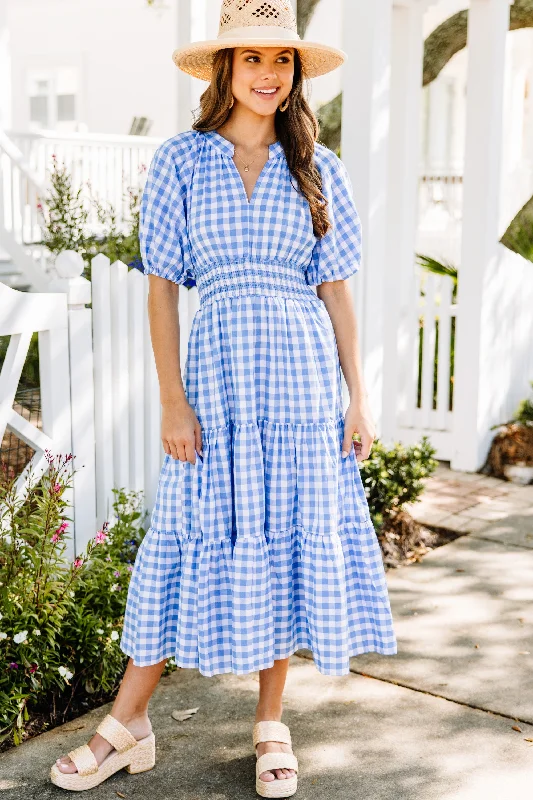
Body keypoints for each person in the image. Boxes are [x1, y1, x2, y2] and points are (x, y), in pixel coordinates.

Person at [50, 0, 397, 796]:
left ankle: (271, 721)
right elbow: (162, 291)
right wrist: (173, 399)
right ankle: (128, 720)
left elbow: (336, 290)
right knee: (184, 534)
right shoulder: (182, 160)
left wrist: (358, 397)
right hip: (217, 380)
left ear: (294, 73)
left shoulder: (319, 166)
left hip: (304, 382)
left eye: (282, 61)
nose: (269, 75)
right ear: (224, 70)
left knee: (285, 540)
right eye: (252, 60)